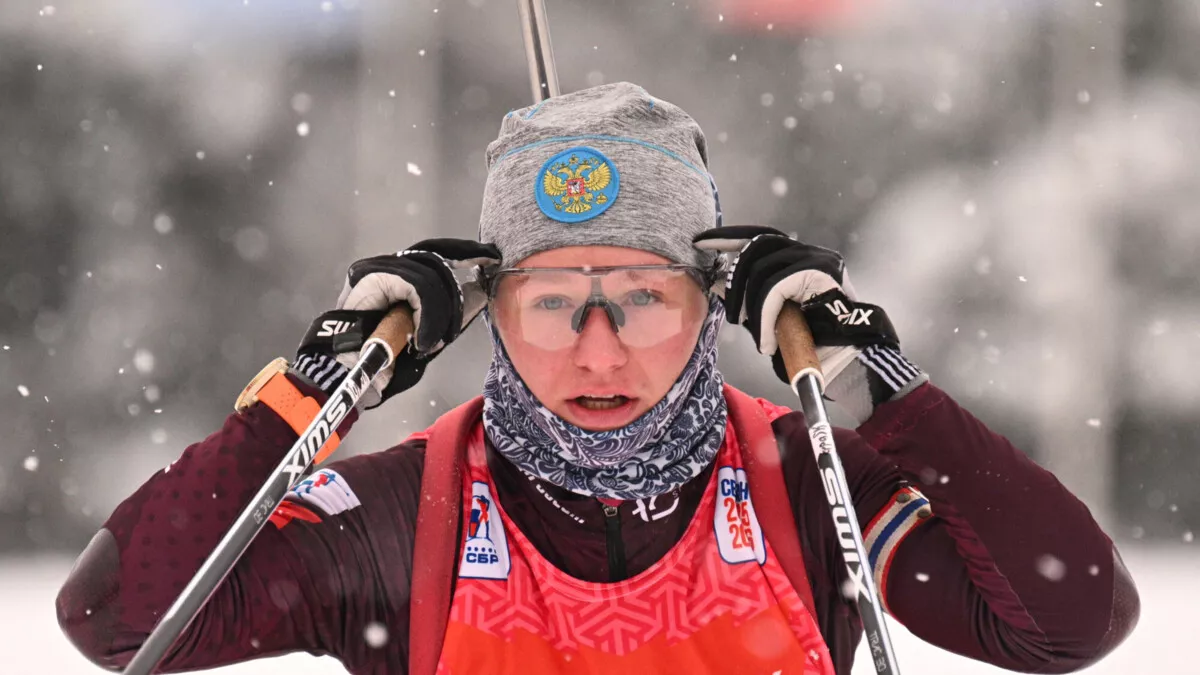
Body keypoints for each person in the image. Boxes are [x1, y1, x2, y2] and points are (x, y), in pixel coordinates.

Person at [56, 83, 1138, 675]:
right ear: (488, 310)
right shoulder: (403, 516)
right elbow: (118, 621)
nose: (600, 348)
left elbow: (1070, 620)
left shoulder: (806, 484)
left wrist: (873, 378)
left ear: (712, 301)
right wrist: (320, 376)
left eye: (643, 295)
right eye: (552, 300)